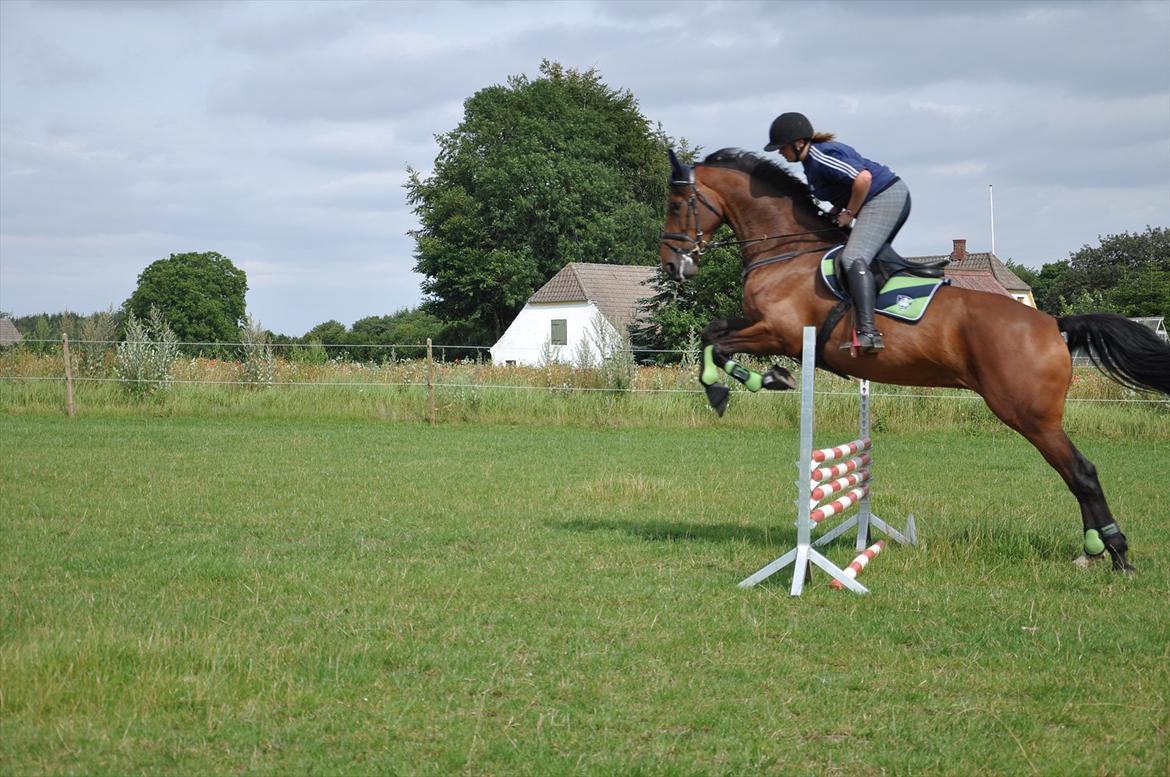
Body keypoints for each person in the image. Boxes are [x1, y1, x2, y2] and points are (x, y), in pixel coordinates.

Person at [765, 112, 910, 352]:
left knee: (853, 258)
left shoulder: (820, 156)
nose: (780, 153)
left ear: (798, 142)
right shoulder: (810, 164)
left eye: (782, 148)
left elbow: (863, 179)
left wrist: (849, 213)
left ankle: (869, 333)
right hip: (875, 201)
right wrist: (835, 211)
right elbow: (842, 189)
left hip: (886, 197)